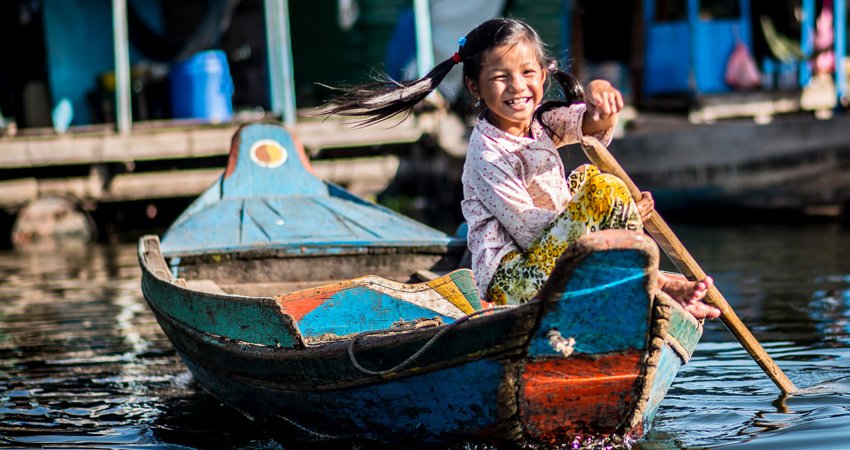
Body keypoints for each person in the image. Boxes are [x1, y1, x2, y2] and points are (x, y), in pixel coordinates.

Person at [321, 18, 721, 320]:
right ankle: (655, 284)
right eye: (500, 77)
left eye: (527, 74)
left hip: (555, 258)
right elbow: (533, 232)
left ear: (543, 78)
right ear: (476, 87)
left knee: (601, 185)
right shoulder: (486, 153)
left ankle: (649, 282)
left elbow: (590, 126)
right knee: (604, 191)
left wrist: (599, 97)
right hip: (512, 282)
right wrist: (616, 214)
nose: (517, 87)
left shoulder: (542, 124)